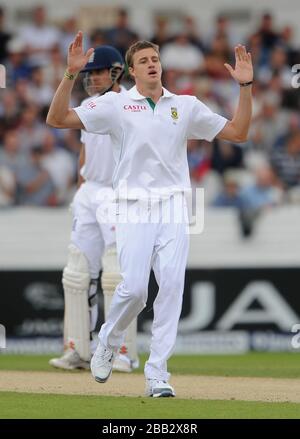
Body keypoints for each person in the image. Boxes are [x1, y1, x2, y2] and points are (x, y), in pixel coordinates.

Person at [47, 31, 253, 397]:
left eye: (155, 59)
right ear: (131, 71)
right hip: (131, 206)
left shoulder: (184, 105)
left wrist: (246, 86)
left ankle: (158, 374)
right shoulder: (115, 105)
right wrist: (69, 74)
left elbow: (238, 132)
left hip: (173, 205)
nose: (152, 64)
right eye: (143, 61)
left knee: (172, 286)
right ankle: (108, 341)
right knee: (135, 290)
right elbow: (57, 118)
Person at [48, 45, 139, 372]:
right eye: (89, 73)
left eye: (98, 71)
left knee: (117, 274)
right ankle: (78, 348)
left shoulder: (132, 104)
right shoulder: (88, 105)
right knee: (77, 274)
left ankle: (122, 351)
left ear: (116, 71)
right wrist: (81, 189)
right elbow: (85, 154)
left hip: (117, 194)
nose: (93, 78)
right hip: (89, 192)